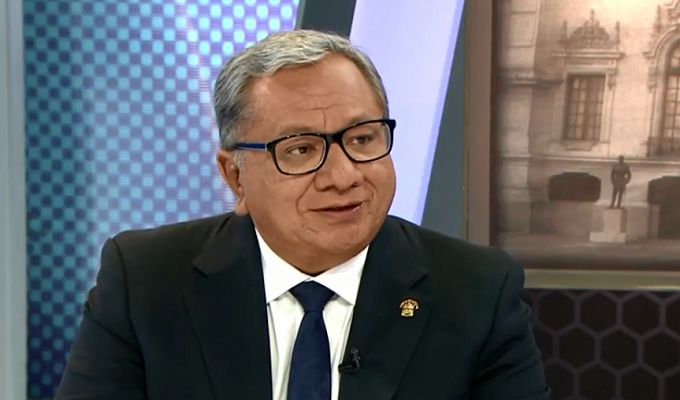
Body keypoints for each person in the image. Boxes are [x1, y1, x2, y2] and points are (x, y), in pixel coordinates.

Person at [55, 30, 549, 400]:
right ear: (235, 176)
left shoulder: (476, 291)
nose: (343, 175)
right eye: (301, 149)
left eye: (362, 139)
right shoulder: (145, 281)